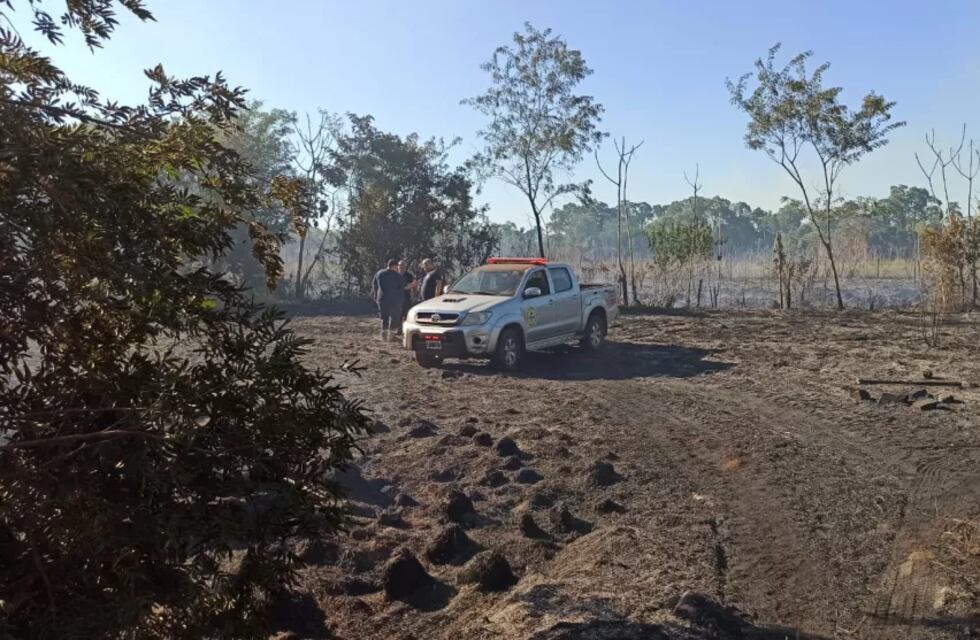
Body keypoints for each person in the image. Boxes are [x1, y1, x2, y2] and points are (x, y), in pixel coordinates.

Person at [373, 258, 405, 341]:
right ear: (395, 266)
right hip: (394, 300)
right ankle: (390, 336)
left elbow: (375, 285)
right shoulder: (397, 276)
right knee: (394, 318)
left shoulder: (379, 273)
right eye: (397, 266)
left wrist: (375, 295)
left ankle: (383, 336)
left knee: (384, 318)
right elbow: (402, 286)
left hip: (382, 299)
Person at [396, 260, 417, 335]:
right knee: (398, 315)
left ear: (405, 267)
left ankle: (405, 330)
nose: (401, 267)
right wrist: (406, 287)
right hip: (397, 299)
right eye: (400, 265)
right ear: (398, 266)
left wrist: (414, 293)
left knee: (406, 314)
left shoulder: (409, 276)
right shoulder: (395, 275)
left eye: (403, 266)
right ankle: (398, 329)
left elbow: (414, 285)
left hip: (406, 298)